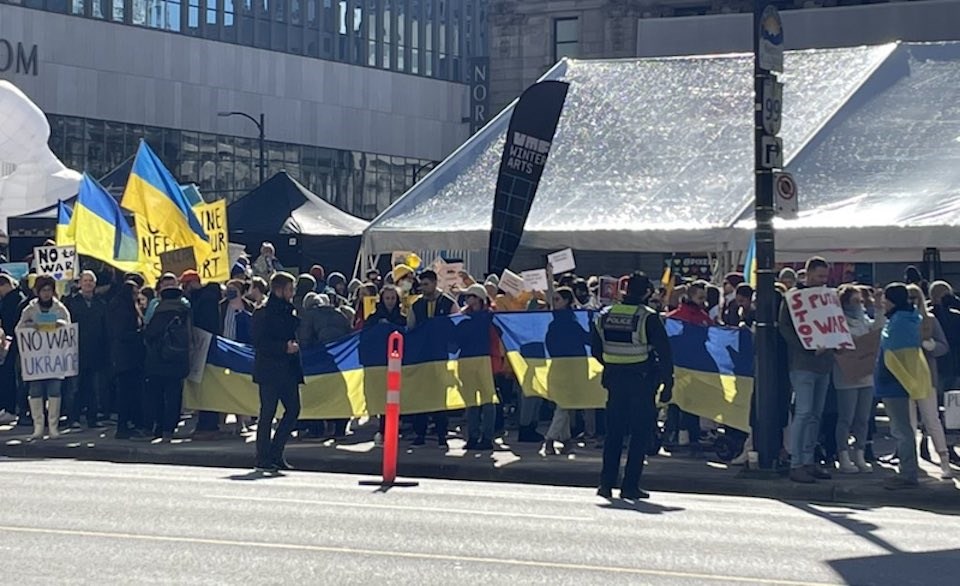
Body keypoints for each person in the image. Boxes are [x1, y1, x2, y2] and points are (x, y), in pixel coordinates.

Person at [592, 272, 674, 500]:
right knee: (639, 434)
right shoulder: (648, 317)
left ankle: (605, 484)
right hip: (641, 381)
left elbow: (596, 351)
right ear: (647, 292)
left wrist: (614, 364)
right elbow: (665, 353)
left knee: (614, 434)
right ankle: (630, 486)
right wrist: (668, 383)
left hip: (614, 381)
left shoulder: (605, 315)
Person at [779, 257, 836, 484]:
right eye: (820, 276)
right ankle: (797, 463)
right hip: (803, 363)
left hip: (824, 362)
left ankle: (808, 460)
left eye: (825, 277)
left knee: (815, 414)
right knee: (803, 413)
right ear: (808, 273)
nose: (823, 281)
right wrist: (807, 346)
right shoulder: (793, 297)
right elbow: (785, 327)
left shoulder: (827, 297)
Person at [875, 283, 929, 490]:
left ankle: (908, 473)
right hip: (905, 379)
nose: (882, 302)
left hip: (894, 381)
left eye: (885, 299)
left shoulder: (897, 323)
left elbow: (890, 354)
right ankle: (908, 471)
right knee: (903, 428)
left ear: (891, 300)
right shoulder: (911, 317)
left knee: (901, 429)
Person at [251, 272, 303, 472]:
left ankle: (276, 452)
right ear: (279, 290)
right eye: (290, 289)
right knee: (268, 413)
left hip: (288, 369)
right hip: (270, 370)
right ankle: (263, 456)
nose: (292, 293)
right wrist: (284, 347)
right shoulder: (262, 311)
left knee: (293, 410)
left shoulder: (289, 310)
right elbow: (259, 342)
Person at [833, 285, 882, 474]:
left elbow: (876, 330)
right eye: (854, 301)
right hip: (846, 375)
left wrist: (878, 308)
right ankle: (843, 454)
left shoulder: (863, 319)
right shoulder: (839, 322)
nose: (858, 305)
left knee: (863, 418)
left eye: (860, 301)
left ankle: (859, 453)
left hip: (866, 375)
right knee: (846, 417)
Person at [408, 270, 459, 447]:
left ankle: (441, 434)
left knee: (440, 396)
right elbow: (411, 329)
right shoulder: (416, 306)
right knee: (421, 396)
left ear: (435, 283)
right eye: (421, 285)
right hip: (422, 358)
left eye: (426, 284)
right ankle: (420, 433)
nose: (423, 288)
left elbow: (456, 328)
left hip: (440, 357)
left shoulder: (449, 303)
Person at [906, 284, 953, 479]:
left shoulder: (930, 320)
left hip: (926, 376)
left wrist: (931, 345)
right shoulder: (899, 320)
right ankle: (911, 461)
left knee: (931, 419)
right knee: (908, 422)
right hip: (904, 376)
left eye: (914, 298)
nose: (912, 302)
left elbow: (944, 346)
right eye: (908, 298)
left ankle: (944, 460)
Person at [17, 276, 72, 440]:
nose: (46, 294)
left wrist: (60, 324)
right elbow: (18, 328)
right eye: (43, 290)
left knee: (54, 391)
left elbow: (69, 330)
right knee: (35, 391)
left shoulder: (60, 308)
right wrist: (31, 326)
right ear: (37, 292)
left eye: (49, 290)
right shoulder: (30, 309)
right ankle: (38, 426)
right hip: (36, 361)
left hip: (55, 360)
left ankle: (53, 426)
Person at [143, 273, 192, 441]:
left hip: (157, 358)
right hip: (178, 358)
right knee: (174, 395)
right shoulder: (185, 307)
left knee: (157, 394)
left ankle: (158, 426)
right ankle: (169, 429)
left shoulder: (156, 307)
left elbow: (148, 331)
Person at [64, 270, 109, 429]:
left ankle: (92, 418)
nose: (88, 283)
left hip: (95, 351)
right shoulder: (71, 303)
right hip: (76, 351)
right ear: (80, 283)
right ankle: (73, 418)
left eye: (91, 281)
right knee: (75, 388)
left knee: (93, 388)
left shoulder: (101, 303)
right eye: (85, 281)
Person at [108, 281, 149, 440]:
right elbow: (121, 333)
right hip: (126, 357)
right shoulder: (121, 308)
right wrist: (140, 333)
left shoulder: (126, 306)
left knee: (131, 393)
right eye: (134, 293)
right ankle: (124, 426)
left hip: (129, 357)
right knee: (126, 393)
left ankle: (130, 424)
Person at [460, 283, 499, 451]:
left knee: (488, 401)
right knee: (471, 401)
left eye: (472, 296)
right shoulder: (462, 317)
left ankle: (487, 437)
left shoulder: (491, 317)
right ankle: (473, 436)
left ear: (480, 299)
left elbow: (495, 340)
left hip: (486, 361)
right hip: (467, 362)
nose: (469, 299)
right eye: (467, 296)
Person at [0, 274, 27, 423]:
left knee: (10, 375)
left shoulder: (11, 300)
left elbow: (9, 323)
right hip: (14, 343)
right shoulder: (17, 297)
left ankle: (10, 408)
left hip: (13, 344)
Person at [219, 279, 255, 344]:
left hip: (242, 345)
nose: (229, 291)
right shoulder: (221, 306)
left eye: (232, 289)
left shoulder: (250, 307)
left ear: (240, 291)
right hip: (225, 344)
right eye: (228, 289)